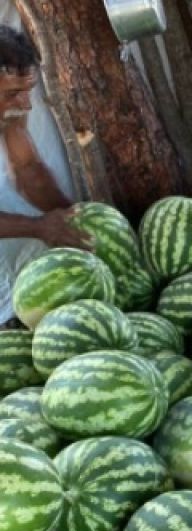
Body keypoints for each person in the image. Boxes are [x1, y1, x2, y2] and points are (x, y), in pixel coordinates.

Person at [0, 24, 89, 328]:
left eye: (27, 91)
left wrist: (72, 217)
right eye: (13, 94)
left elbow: (29, 170)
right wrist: (39, 226)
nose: (25, 104)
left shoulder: (11, 108)